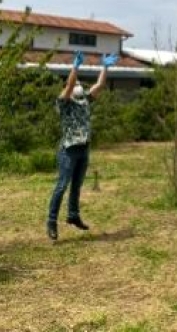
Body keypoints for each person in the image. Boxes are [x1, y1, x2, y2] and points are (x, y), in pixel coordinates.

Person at [47, 50, 118, 241]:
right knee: (62, 185)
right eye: (74, 84)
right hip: (68, 151)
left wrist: (105, 67)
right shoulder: (64, 103)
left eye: (79, 83)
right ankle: (51, 222)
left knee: (77, 186)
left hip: (83, 149)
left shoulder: (85, 99)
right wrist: (75, 68)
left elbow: (100, 85)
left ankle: (73, 216)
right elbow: (70, 84)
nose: (77, 85)